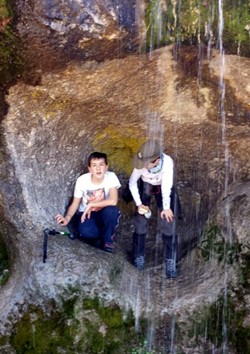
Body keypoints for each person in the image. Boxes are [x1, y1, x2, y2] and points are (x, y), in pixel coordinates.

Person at [128, 139, 179, 278]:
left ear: (157, 160)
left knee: (168, 221)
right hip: (145, 187)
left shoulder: (167, 162)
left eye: (147, 163)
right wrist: (139, 204)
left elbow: (166, 186)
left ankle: (170, 259)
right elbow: (132, 183)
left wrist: (166, 208)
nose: (143, 165)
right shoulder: (141, 162)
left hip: (162, 188)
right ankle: (138, 255)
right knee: (140, 219)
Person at [55, 152, 121, 253]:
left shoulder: (111, 177)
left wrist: (91, 204)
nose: (98, 168)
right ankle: (101, 236)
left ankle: (108, 241)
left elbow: (113, 200)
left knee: (112, 211)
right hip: (86, 214)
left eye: (101, 164)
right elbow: (75, 203)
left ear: (106, 167)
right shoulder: (82, 180)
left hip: (104, 212)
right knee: (86, 232)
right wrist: (67, 218)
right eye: (94, 165)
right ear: (89, 169)